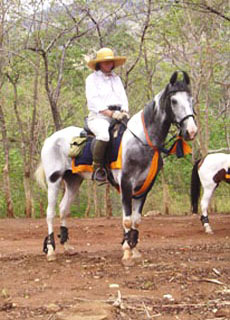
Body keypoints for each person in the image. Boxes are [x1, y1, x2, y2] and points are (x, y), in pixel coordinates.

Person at [85, 47, 129, 182]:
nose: (109, 64)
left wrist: (125, 111)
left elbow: (123, 97)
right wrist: (111, 114)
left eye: (110, 62)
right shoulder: (91, 79)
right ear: (99, 64)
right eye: (105, 62)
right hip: (99, 117)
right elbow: (93, 101)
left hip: (119, 115)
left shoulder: (117, 79)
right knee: (104, 136)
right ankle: (98, 167)